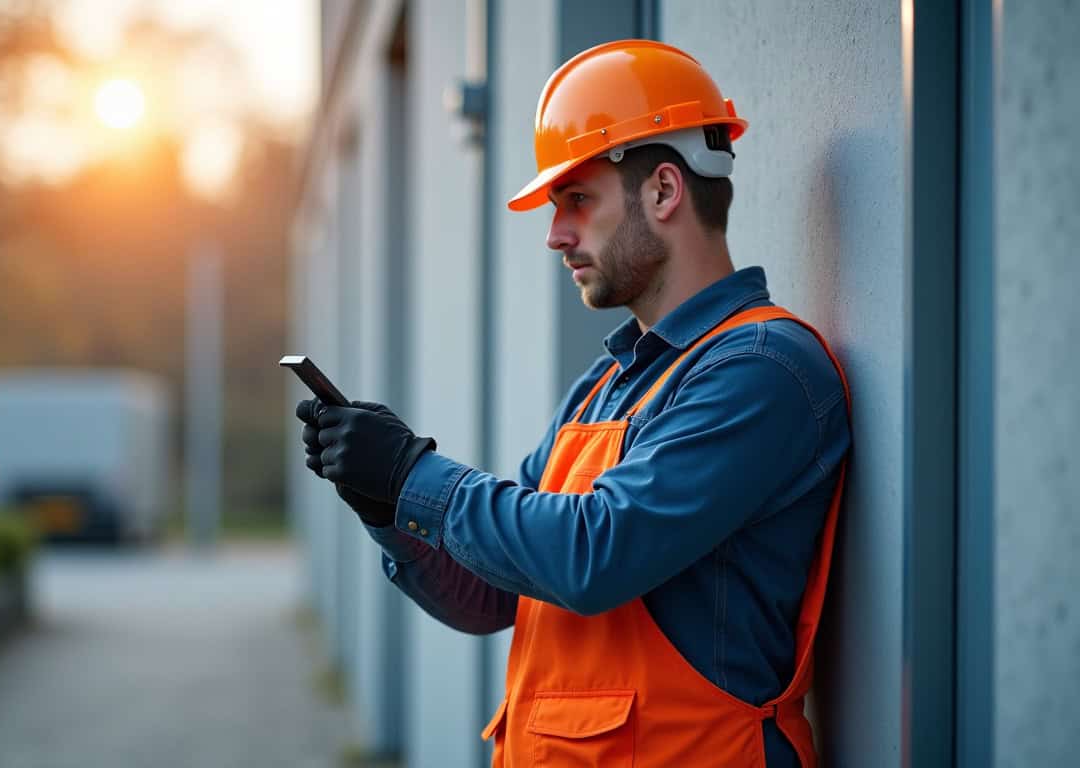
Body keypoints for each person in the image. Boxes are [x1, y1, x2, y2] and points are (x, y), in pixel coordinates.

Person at [295, 39, 851, 768]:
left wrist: (410, 475)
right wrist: (386, 507)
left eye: (577, 200)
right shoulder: (609, 383)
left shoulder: (761, 370)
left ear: (663, 191)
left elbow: (593, 555)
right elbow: (493, 596)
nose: (556, 234)